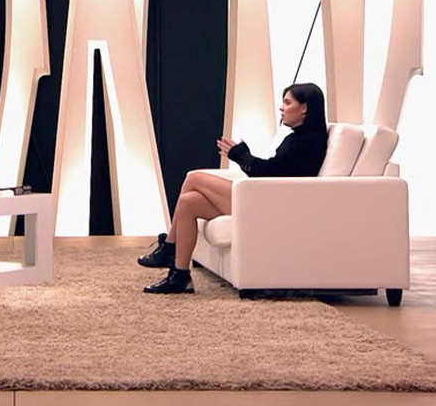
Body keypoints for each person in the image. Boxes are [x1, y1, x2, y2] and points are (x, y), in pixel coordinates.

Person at [138, 82, 329, 294]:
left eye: (287, 102)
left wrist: (241, 156)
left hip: (272, 205)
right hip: (267, 197)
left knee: (193, 178)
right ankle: (179, 275)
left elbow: (268, 174)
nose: (281, 108)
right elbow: (274, 171)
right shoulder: (298, 138)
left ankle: (169, 248)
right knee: (188, 202)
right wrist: (243, 156)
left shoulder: (309, 142)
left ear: (304, 108)